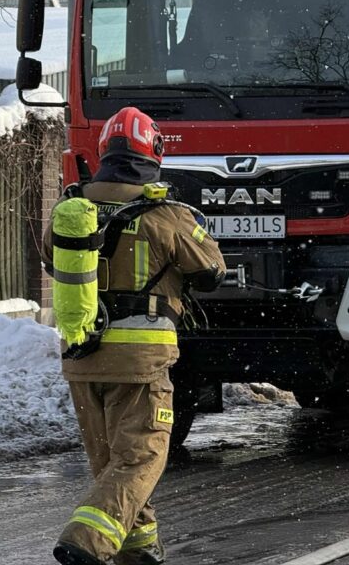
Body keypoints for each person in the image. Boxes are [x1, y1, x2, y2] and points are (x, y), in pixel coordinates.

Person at [43, 106, 225, 565]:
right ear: (154, 153)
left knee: (112, 464)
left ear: (104, 151)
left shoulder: (70, 208)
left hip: (81, 358)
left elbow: (50, 258)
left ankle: (139, 549)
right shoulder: (167, 214)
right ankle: (86, 540)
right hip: (139, 362)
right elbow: (211, 271)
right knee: (141, 459)